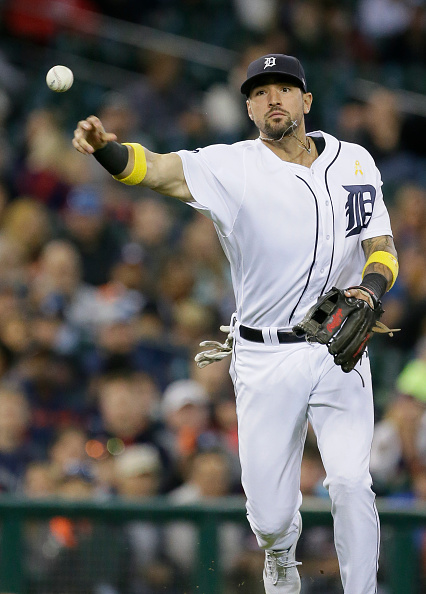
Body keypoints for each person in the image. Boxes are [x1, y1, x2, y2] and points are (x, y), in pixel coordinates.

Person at [72, 53, 399, 594]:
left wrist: (372, 288)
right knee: (270, 519)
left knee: (349, 481)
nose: (273, 98)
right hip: (263, 356)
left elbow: (381, 246)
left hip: (337, 345)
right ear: (248, 109)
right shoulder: (232, 166)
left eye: (284, 88)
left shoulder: (355, 161)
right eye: (259, 92)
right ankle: (280, 555)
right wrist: (108, 150)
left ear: (306, 100)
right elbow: (158, 170)